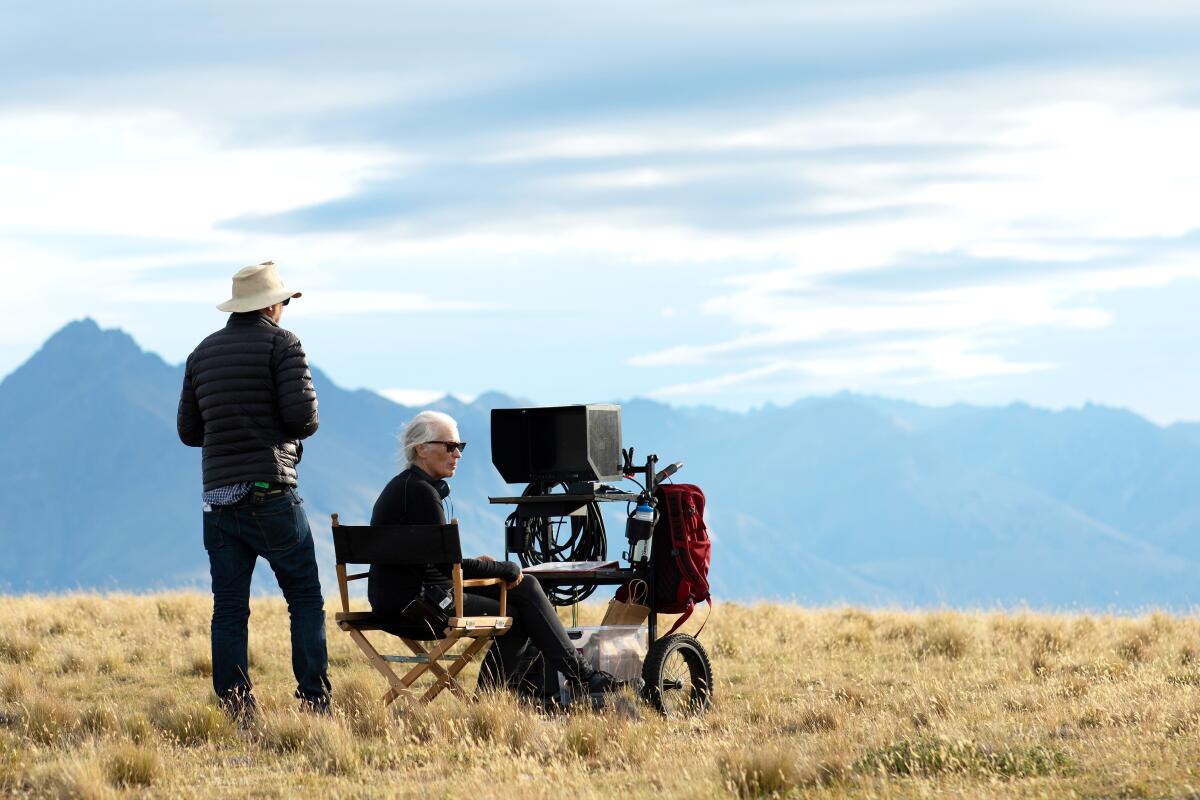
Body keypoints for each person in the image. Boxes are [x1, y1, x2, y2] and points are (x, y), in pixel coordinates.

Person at [368, 410, 620, 698]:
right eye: (450, 446)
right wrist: (504, 569)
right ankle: (577, 678)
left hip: (400, 601)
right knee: (520, 599)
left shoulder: (403, 487)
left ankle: (575, 677)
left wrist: (493, 569)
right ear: (421, 449)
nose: (458, 454)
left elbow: (435, 560)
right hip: (419, 607)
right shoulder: (421, 493)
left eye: (460, 447)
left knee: (521, 599)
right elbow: (447, 564)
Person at [176, 261, 331, 719]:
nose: (284, 308)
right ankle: (314, 701)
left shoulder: (201, 353)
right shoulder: (283, 344)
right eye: (283, 301)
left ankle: (237, 707)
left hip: (218, 498)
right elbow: (305, 418)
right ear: (270, 304)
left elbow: (189, 431)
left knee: (228, 608)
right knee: (304, 598)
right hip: (270, 492)